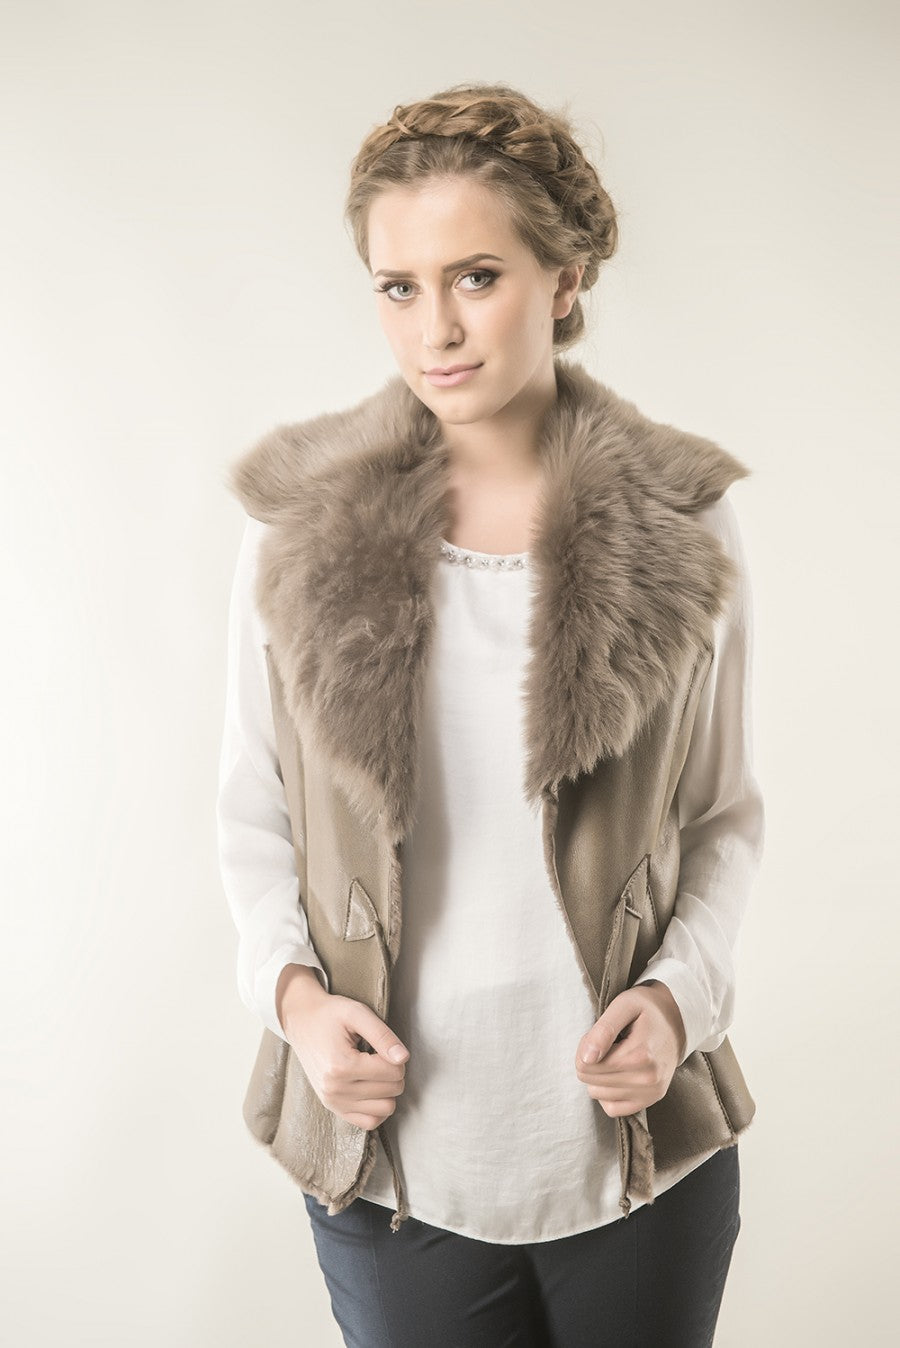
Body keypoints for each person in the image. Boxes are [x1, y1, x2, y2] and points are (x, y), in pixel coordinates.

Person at [217, 82, 765, 1348]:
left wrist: (678, 1000)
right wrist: (300, 1007)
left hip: (635, 1156)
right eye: (399, 286)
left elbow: (724, 817)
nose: (437, 330)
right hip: (391, 1162)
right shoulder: (295, 524)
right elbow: (252, 814)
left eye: (476, 276)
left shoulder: (683, 518)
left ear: (564, 278)